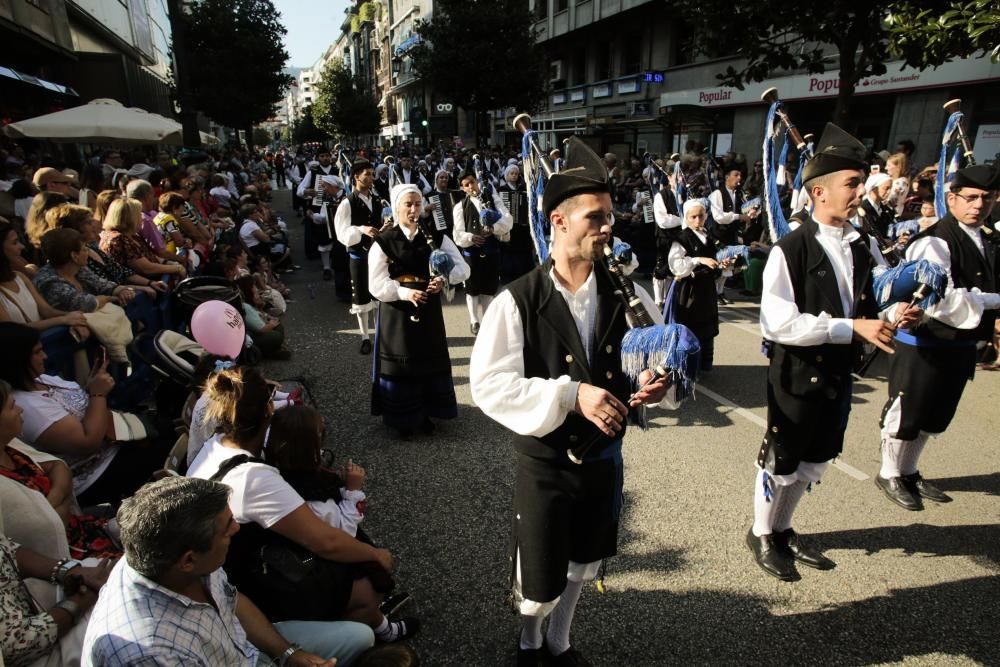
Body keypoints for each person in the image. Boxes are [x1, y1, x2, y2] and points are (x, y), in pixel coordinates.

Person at [469, 137, 671, 667]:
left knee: (585, 559)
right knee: (539, 572)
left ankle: (559, 640)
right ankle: (531, 640)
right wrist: (568, 393)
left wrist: (650, 382)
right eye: (595, 217)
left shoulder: (623, 288)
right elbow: (489, 384)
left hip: (604, 455)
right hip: (547, 462)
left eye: (609, 216)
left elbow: (648, 354)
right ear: (559, 222)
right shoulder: (518, 300)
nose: (607, 227)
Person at [747, 123, 914, 582]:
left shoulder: (864, 243)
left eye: (861, 183)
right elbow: (777, 324)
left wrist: (897, 310)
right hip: (798, 374)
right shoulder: (791, 249)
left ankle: (783, 528)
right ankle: (762, 532)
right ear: (819, 192)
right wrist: (850, 328)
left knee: (816, 458)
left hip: (839, 374)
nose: (861, 191)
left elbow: (876, 297)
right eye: (852, 184)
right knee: (781, 458)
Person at [186, 367, 418, 643]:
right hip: (245, 586)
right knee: (371, 580)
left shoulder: (215, 444)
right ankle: (356, 625)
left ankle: (367, 619)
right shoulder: (253, 479)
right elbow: (325, 541)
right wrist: (376, 555)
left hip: (222, 568)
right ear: (269, 410)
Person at [81, 476, 375, 666]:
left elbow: (232, 602)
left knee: (361, 637)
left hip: (242, 651)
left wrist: (287, 654)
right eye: (227, 528)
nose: (237, 529)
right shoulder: (150, 655)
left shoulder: (171, 561)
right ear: (188, 560)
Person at [874, 164, 1000, 511]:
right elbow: (940, 299)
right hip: (924, 343)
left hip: (960, 343)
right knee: (908, 410)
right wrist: (994, 301)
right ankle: (889, 473)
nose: (979, 205)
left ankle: (909, 470)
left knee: (937, 413)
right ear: (952, 198)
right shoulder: (935, 240)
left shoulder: (985, 236)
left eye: (987, 198)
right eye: (971, 197)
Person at [0, 322, 167, 508]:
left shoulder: (41, 378)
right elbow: (87, 442)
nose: (44, 356)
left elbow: (77, 407)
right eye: (37, 352)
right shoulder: (27, 406)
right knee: (167, 446)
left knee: (166, 425)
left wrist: (92, 386)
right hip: (99, 473)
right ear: (18, 359)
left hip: (118, 442)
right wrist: (98, 394)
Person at [368, 184, 470, 437]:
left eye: (417, 204)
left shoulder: (435, 235)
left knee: (428, 359)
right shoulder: (384, 241)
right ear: (396, 207)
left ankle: (425, 413)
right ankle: (402, 419)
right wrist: (403, 292)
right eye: (408, 205)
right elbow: (375, 283)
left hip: (428, 306)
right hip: (398, 312)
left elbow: (463, 269)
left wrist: (443, 279)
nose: (414, 210)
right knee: (403, 363)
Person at [0, 524, 111, 667]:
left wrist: (69, 572)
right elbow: (15, 644)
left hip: (34, 604)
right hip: (31, 652)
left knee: (115, 571)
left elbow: (5, 550)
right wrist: (86, 597)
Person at [668, 199, 731, 372]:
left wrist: (721, 264)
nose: (697, 220)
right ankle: (688, 366)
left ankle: (704, 364)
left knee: (707, 326)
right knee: (691, 326)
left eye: (700, 216)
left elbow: (714, 258)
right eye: (693, 217)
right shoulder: (682, 238)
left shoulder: (708, 235)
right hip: (690, 290)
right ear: (686, 218)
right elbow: (676, 265)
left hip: (707, 290)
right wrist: (698, 260)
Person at [334, 161, 390, 355]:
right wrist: (361, 229)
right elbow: (341, 233)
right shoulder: (347, 202)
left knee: (378, 293)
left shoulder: (377, 200)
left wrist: (384, 229)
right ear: (356, 176)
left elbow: (379, 227)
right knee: (361, 297)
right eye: (367, 174)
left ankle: (380, 335)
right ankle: (365, 337)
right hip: (358, 255)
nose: (371, 177)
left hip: (377, 255)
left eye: (372, 174)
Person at [452, 167, 512, 335]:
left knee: (488, 287)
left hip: (491, 250)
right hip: (472, 253)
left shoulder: (492, 198)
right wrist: (471, 237)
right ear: (463, 188)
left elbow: (508, 220)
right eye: (466, 185)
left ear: (477, 182)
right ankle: (474, 320)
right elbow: (458, 233)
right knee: (472, 288)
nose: (471, 186)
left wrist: (494, 228)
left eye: (472, 182)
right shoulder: (459, 207)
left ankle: (485, 320)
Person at [99, 198, 187, 282]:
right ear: (129, 218)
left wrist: (171, 263)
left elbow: (150, 257)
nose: (142, 218)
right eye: (139, 215)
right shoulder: (118, 239)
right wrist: (177, 268)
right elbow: (146, 268)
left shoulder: (132, 235)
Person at [298, 149, 348, 291]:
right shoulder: (312, 172)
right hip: (319, 206)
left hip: (337, 206)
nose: (325, 158)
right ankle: (326, 267)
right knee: (324, 238)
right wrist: (308, 192)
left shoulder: (337, 169)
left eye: (327, 155)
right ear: (318, 157)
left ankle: (338, 263)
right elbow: (299, 191)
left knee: (338, 237)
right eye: (322, 156)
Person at [709, 167, 752, 304]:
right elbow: (718, 217)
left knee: (729, 266)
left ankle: (720, 292)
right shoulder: (717, 194)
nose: (739, 178)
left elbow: (744, 211)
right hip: (718, 235)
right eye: (736, 174)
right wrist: (739, 216)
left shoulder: (738, 195)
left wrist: (751, 213)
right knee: (720, 265)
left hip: (731, 234)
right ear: (727, 177)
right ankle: (713, 293)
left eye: (740, 175)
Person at [497, 165, 537, 284]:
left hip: (522, 229)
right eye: (511, 174)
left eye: (516, 174)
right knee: (509, 256)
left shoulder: (523, 189)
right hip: (510, 230)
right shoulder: (502, 190)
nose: (514, 176)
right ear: (507, 175)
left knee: (523, 255)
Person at [651, 174, 683, 310]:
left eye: (682, 176)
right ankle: (659, 301)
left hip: (681, 237)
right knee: (661, 269)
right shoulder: (661, 195)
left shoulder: (686, 194)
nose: (680, 179)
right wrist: (682, 219)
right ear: (669, 177)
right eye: (677, 176)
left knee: (675, 268)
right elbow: (663, 221)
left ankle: (669, 299)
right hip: (665, 237)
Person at [421, 170, 461, 240]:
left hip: (455, 229)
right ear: (436, 180)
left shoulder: (453, 193)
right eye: (441, 177)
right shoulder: (429, 196)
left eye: (446, 178)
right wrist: (426, 208)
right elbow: (422, 213)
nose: (444, 179)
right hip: (439, 232)